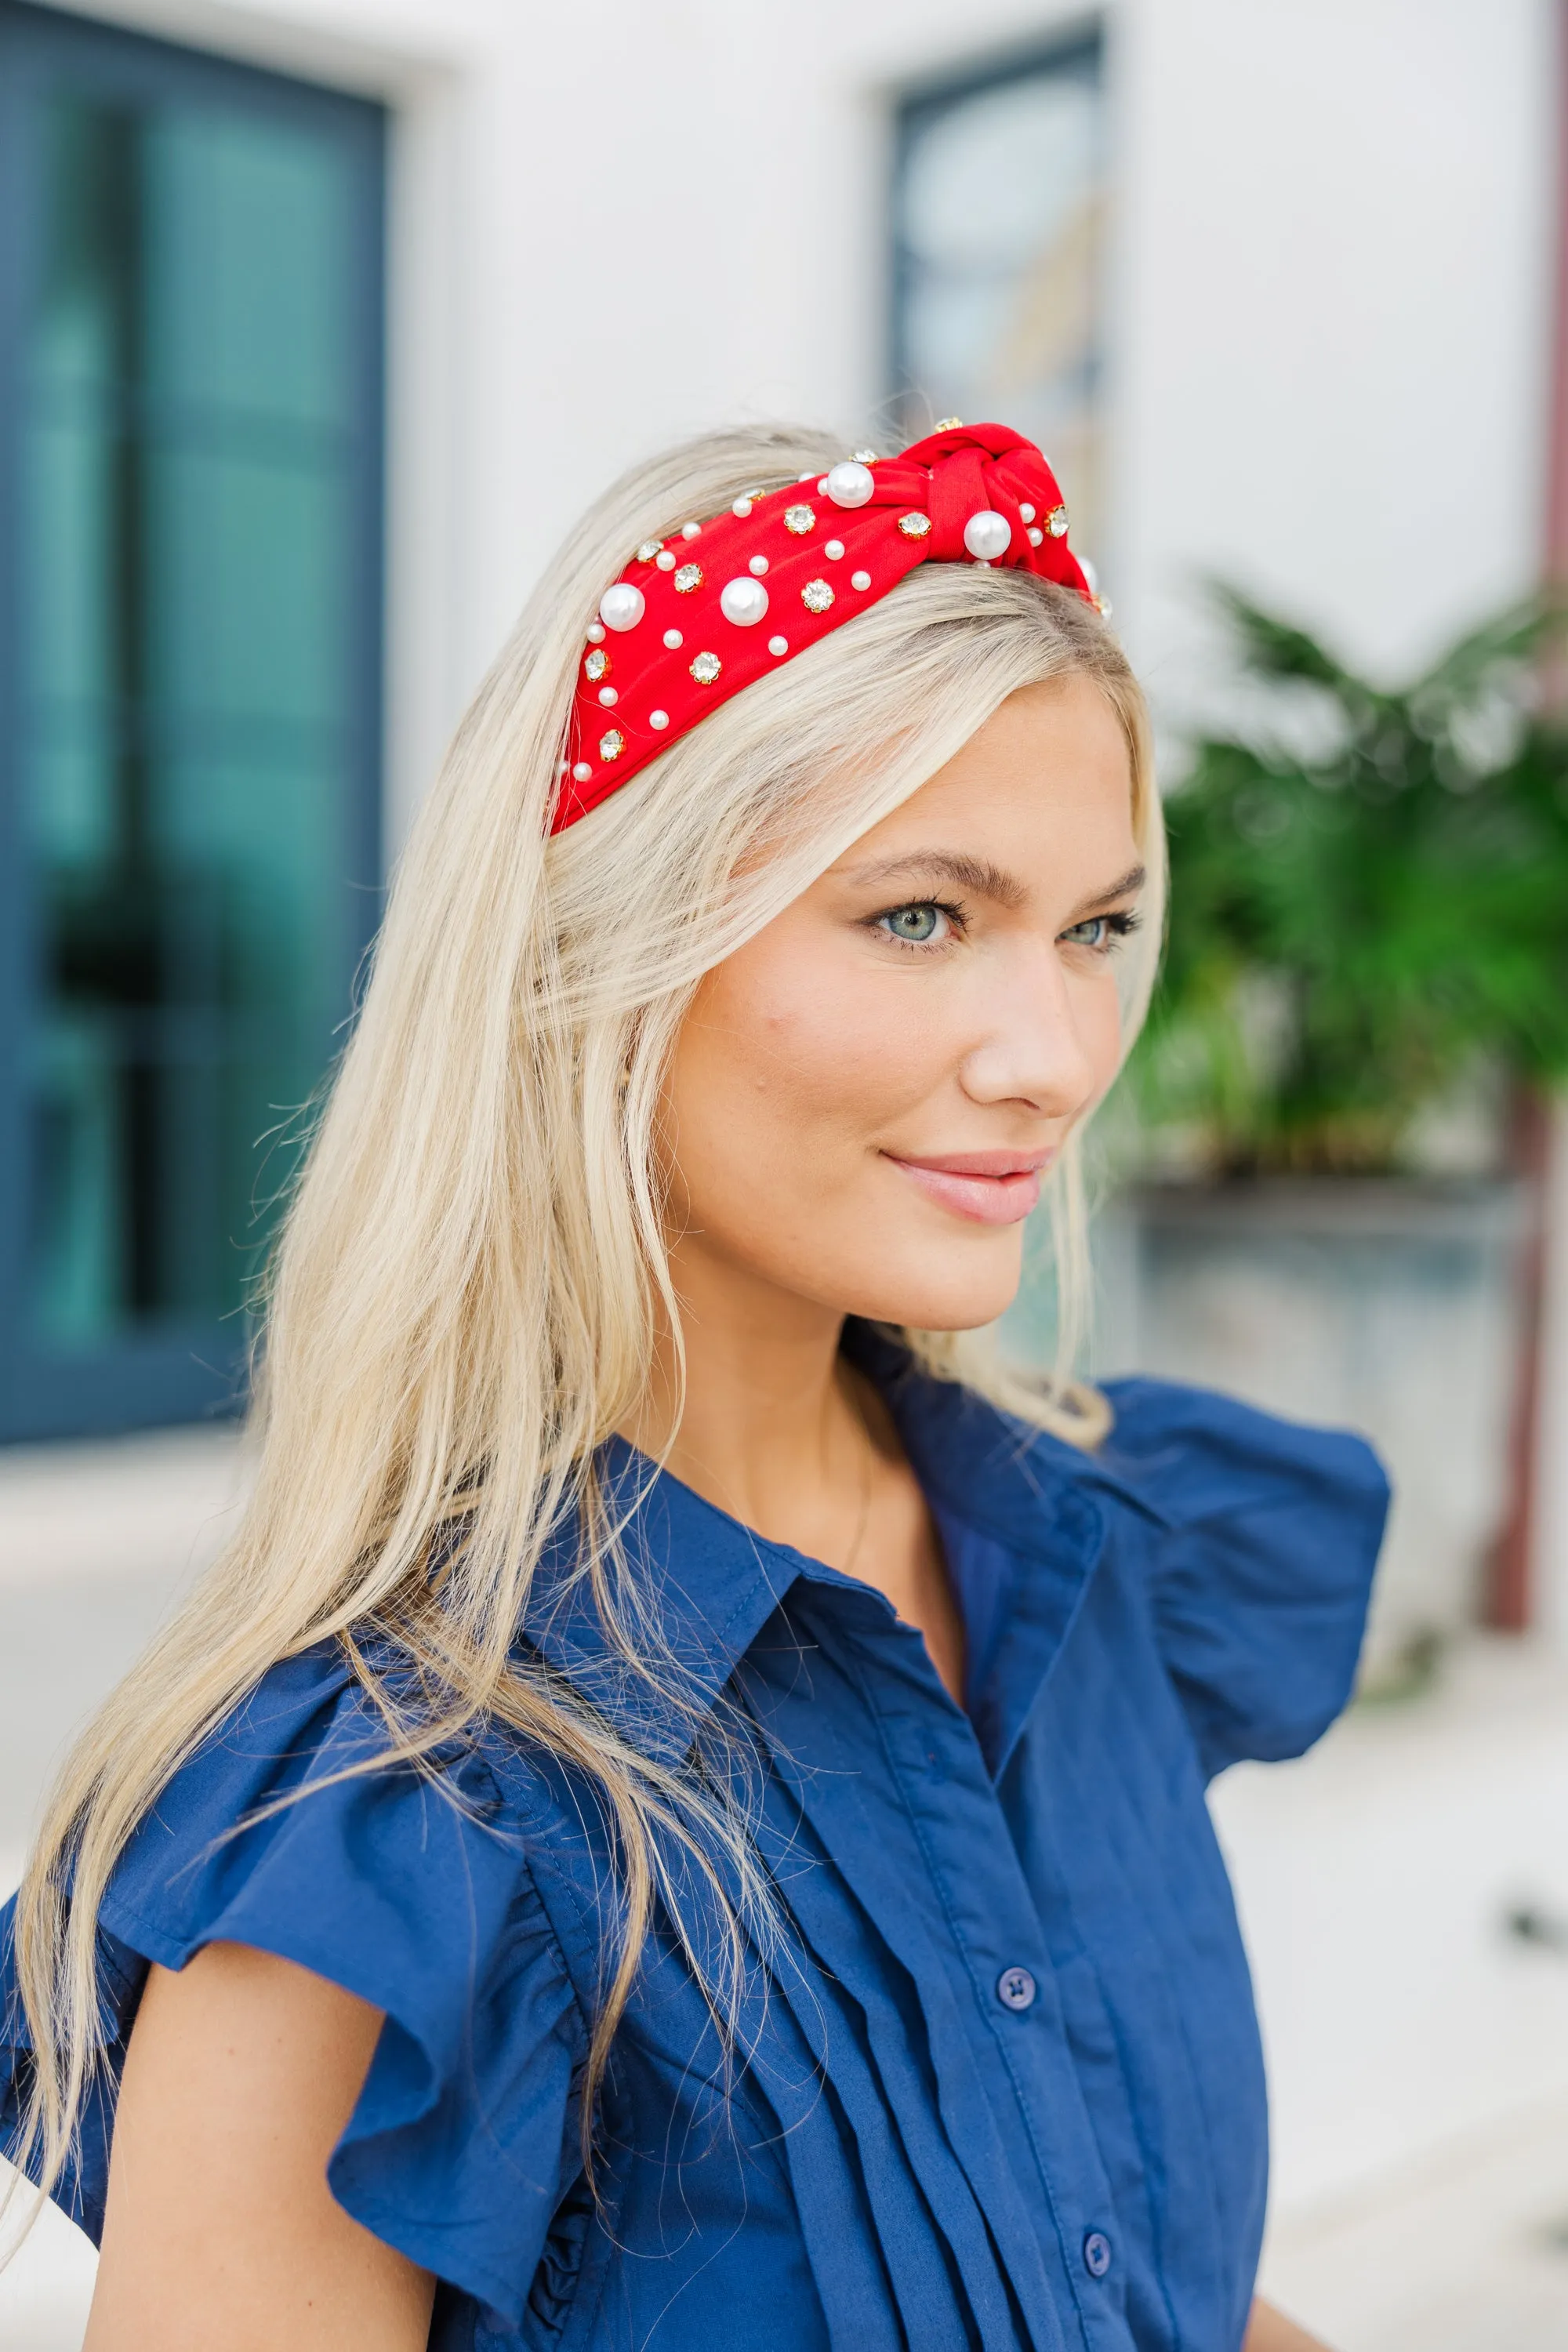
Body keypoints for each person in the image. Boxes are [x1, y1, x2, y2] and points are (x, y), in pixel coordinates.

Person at [1, 423, 1386, 2352]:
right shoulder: (392, 1826)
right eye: (922, 916)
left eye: (1092, 931)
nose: (1056, 1055)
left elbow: (1135, 2284)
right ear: (604, 950)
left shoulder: (1104, 1547)